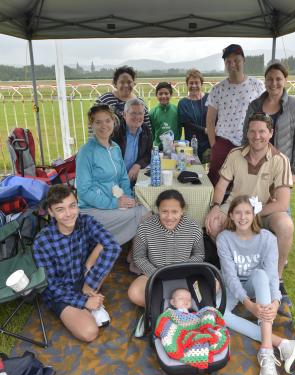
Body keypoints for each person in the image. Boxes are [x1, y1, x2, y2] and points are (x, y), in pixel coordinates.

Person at [217, 195, 295, 375]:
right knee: (217, 314)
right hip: (233, 286)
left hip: (257, 283)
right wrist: (249, 305)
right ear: (231, 215)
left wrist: (276, 302)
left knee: (261, 274)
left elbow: (272, 275)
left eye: (247, 212)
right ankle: (282, 344)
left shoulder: (268, 239)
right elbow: (229, 277)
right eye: (238, 212)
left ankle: (267, 352)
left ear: (254, 214)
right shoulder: (224, 239)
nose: (243, 217)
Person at [205, 112, 294, 283]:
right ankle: (236, 267)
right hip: (234, 205)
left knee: (286, 225)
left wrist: (252, 213)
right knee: (213, 224)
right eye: (252, 131)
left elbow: (282, 203)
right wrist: (215, 206)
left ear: (271, 133)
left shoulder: (280, 160)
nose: (257, 136)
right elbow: (221, 186)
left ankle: (276, 277)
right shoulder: (235, 154)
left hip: (263, 209)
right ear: (246, 133)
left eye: (262, 131)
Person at [33, 185, 121, 342]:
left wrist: (90, 283)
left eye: (72, 206)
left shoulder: (85, 221)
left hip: (84, 276)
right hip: (61, 292)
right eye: (60, 209)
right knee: (89, 332)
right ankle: (88, 305)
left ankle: (90, 298)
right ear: (51, 212)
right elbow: (50, 287)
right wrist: (85, 301)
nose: (68, 214)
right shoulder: (42, 242)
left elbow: (113, 246)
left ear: (77, 203)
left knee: (105, 245)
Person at [76, 104, 148, 245]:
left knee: (145, 207)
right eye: (98, 122)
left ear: (113, 122)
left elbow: (122, 178)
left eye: (107, 121)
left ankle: (132, 253)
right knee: (145, 213)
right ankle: (115, 250)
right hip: (92, 209)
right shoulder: (86, 152)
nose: (104, 126)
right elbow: (83, 192)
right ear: (92, 125)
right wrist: (114, 203)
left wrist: (127, 197)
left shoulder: (115, 148)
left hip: (114, 202)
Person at [128, 189, 205, 308]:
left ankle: (185, 306)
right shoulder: (145, 228)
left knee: (214, 284)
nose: (169, 217)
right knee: (134, 293)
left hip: (185, 274)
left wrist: (183, 270)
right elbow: (139, 257)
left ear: (182, 211)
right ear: (158, 209)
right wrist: (156, 273)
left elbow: (199, 255)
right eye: (164, 211)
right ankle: (163, 308)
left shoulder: (194, 228)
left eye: (175, 212)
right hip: (154, 273)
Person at [206, 44, 265, 185]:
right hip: (223, 142)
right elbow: (210, 121)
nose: (233, 64)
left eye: (236, 60)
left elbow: (265, 115)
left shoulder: (257, 86)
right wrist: (214, 145)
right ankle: (214, 206)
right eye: (228, 61)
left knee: (246, 182)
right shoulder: (217, 89)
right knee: (216, 180)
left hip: (250, 142)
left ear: (243, 60)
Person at [243, 62, 295, 182]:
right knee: (252, 200)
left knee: (278, 200)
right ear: (265, 81)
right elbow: (246, 135)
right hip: (255, 166)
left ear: (285, 80)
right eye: (269, 79)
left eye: (278, 79)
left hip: (281, 168)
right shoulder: (254, 105)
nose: (274, 83)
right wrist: (244, 162)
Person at [155, 288, 230, 369]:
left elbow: (200, 318)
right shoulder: (171, 313)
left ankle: (205, 336)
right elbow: (163, 321)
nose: (186, 301)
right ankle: (198, 343)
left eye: (189, 300)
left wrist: (207, 316)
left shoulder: (195, 314)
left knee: (209, 312)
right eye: (181, 298)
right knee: (170, 331)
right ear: (173, 302)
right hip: (180, 334)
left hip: (198, 330)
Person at [96, 65, 151, 130]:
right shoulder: (104, 100)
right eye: (122, 82)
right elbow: (94, 124)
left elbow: (147, 127)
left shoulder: (140, 103)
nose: (126, 85)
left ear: (134, 83)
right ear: (115, 84)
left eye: (129, 82)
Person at [113, 98, 153, 183]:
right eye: (133, 113)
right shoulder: (115, 131)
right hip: (116, 179)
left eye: (140, 113)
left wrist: (138, 165)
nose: (137, 117)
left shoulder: (145, 129)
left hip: (136, 179)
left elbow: (149, 153)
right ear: (124, 115)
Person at [177, 69, 210, 163]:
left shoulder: (209, 98)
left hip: (209, 144)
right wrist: (205, 130)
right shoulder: (183, 103)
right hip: (192, 146)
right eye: (191, 83)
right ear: (187, 84)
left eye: (197, 83)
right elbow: (187, 123)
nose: (194, 86)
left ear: (201, 84)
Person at [150, 82, 180, 148]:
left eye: (166, 93)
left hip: (175, 148)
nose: (163, 96)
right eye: (160, 94)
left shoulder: (177, 110)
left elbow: (180, 128)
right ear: (156, 95)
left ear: (171, 95)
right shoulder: (152, 112)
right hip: (159, 149)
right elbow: (151, 132)